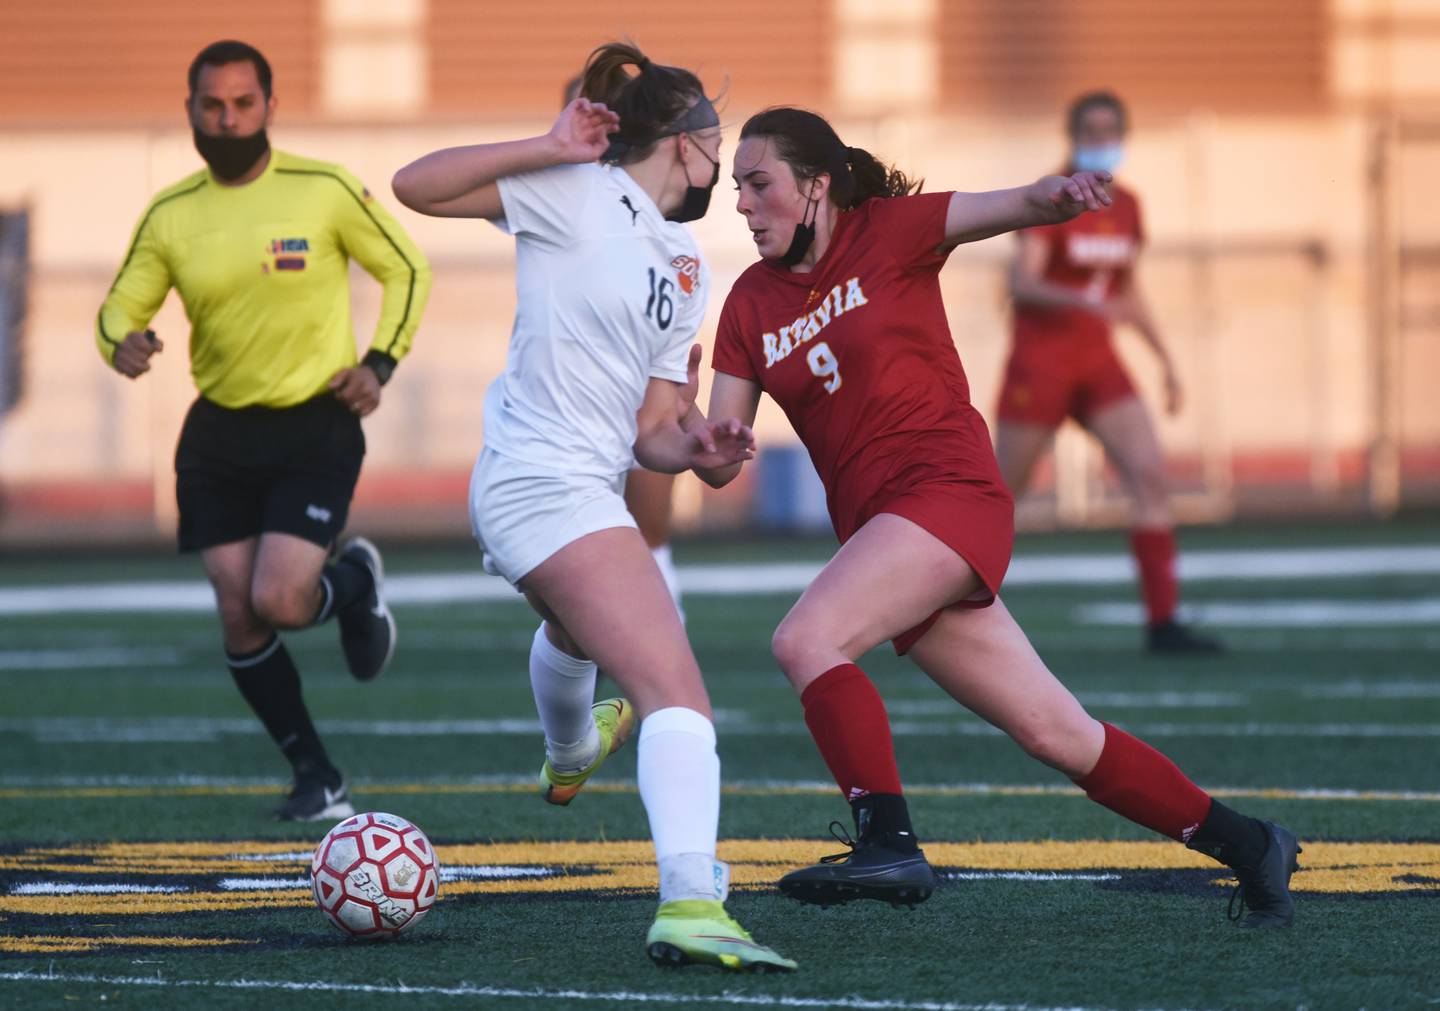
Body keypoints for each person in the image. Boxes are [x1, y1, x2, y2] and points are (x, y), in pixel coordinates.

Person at [698, 107, 1300, 927]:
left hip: (948, 496)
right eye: (737, 187)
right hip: (890, 536)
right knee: (1058, 733)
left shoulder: (892, 230)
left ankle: (889, 841)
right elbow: (722, 461)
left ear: (817, 185)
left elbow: (1011, 204)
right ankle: (1252, 844)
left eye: (758, 183)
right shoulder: (746, 305)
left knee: (806, 637)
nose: (741, 203)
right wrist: (706, 446)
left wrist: (1059, 194)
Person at [392, 43, 795, 971]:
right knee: (676, 693)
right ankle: (692, 900)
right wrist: (545, 144)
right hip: (541, 483)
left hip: (569, 487)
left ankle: (571, 749)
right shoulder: (574, 190)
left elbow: (653, 427)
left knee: (581, 634)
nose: (723, 174)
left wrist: (700, 449)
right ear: (686, 139)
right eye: (718, 147)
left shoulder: (685, 263)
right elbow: (416, 184)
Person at [96, 40, 431, 821]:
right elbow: (120, 308)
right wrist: (123, 342)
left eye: (243, 104)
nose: (228, 118)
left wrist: (379, 364)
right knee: (237, 608)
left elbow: (407, 269)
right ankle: (317, 772)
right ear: (190, 111)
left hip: (316, 423)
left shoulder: (324, 189)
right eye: (213, 105)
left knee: (279, 598)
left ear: (270, 108)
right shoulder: (171, 214)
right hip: (217, 434)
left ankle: (356, 583)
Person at [999, 91, 1219, 654]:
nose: (1101, 141)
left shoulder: (1128, 206)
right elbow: (1022, 282)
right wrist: (1081, 302)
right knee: (1000, 500)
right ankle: (951, 610)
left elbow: (1128, 290)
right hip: (1042, 361)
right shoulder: (1054, 195)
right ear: (1071, 135)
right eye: (1091, 130)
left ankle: (1162, 622)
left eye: (1110, 130)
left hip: (1098, 361)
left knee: (1149, 476)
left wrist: (1164, 358)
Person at [563, 72, 687, 621]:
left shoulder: (664, 216)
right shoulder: (555, 192)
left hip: (639, 391)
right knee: (568, 584)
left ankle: (666, 635)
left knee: (650, 534)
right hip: (572, 403)